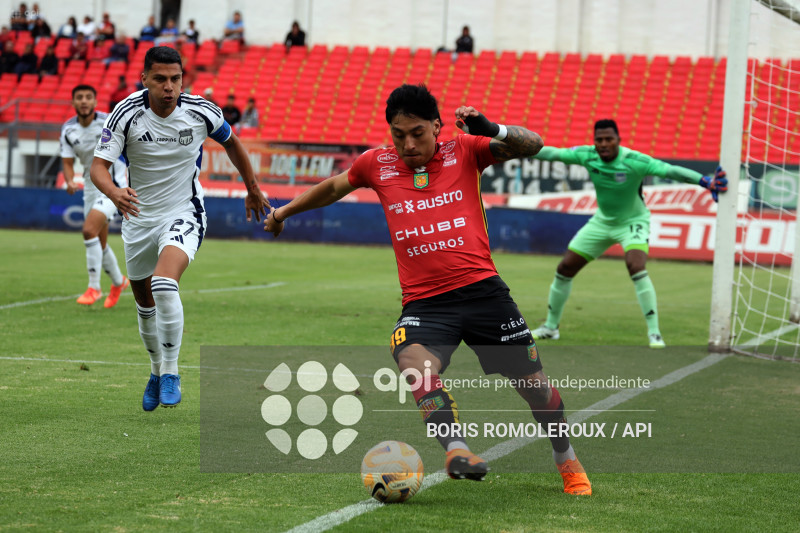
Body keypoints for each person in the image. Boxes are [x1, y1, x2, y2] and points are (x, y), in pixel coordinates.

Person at [263, 83, 592, 496]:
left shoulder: (466, 149)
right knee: (410, 357)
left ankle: (567, 459)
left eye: (417, 132)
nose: (407, 144)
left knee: (536, 389)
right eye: (398, 134)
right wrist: (282, 213)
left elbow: (534, 145)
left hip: (484, 293)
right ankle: (456, 450)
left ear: (437, 126)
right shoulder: (375, 164)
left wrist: (492, 128)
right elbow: (332, 188)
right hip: (426, 303)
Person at [90, 46, 270, 411]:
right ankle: (155, 371)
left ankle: (172, 371)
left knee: (163, 283)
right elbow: (98, 167)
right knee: (143, 303)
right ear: (145, 79)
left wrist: (252, 188)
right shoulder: (126, 113)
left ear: (182, 79)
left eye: (175, 78)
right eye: (160, 79)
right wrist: (114, 192)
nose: (168, 86)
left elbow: (232, 143)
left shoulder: (201, 111)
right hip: (138, 217)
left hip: (183, 211)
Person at [530, 119, 728, 348]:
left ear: (618, 141)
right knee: (565, 268)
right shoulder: (587, 155)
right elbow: (553, 154)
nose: (603, 144)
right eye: (599, 140)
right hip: (602, 222)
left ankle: (654, 332)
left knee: (635, 266)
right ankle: (550, 328)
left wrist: (704, 181)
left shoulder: (635, 161)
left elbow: (671, 171)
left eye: (608, 139)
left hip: (633, 222)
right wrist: (516, 146)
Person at [60, 84, 130, 309]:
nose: (84, 101)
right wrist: (70, 179)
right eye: (79, 97)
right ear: (73, 103)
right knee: (99, 242)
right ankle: (119, 282)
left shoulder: (109, 122)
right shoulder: (68, 130)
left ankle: (94, 287)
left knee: (89, 230)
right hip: (90, 188)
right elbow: (68, 162)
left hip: (115, 186)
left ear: (95, 102)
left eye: (88, 97)